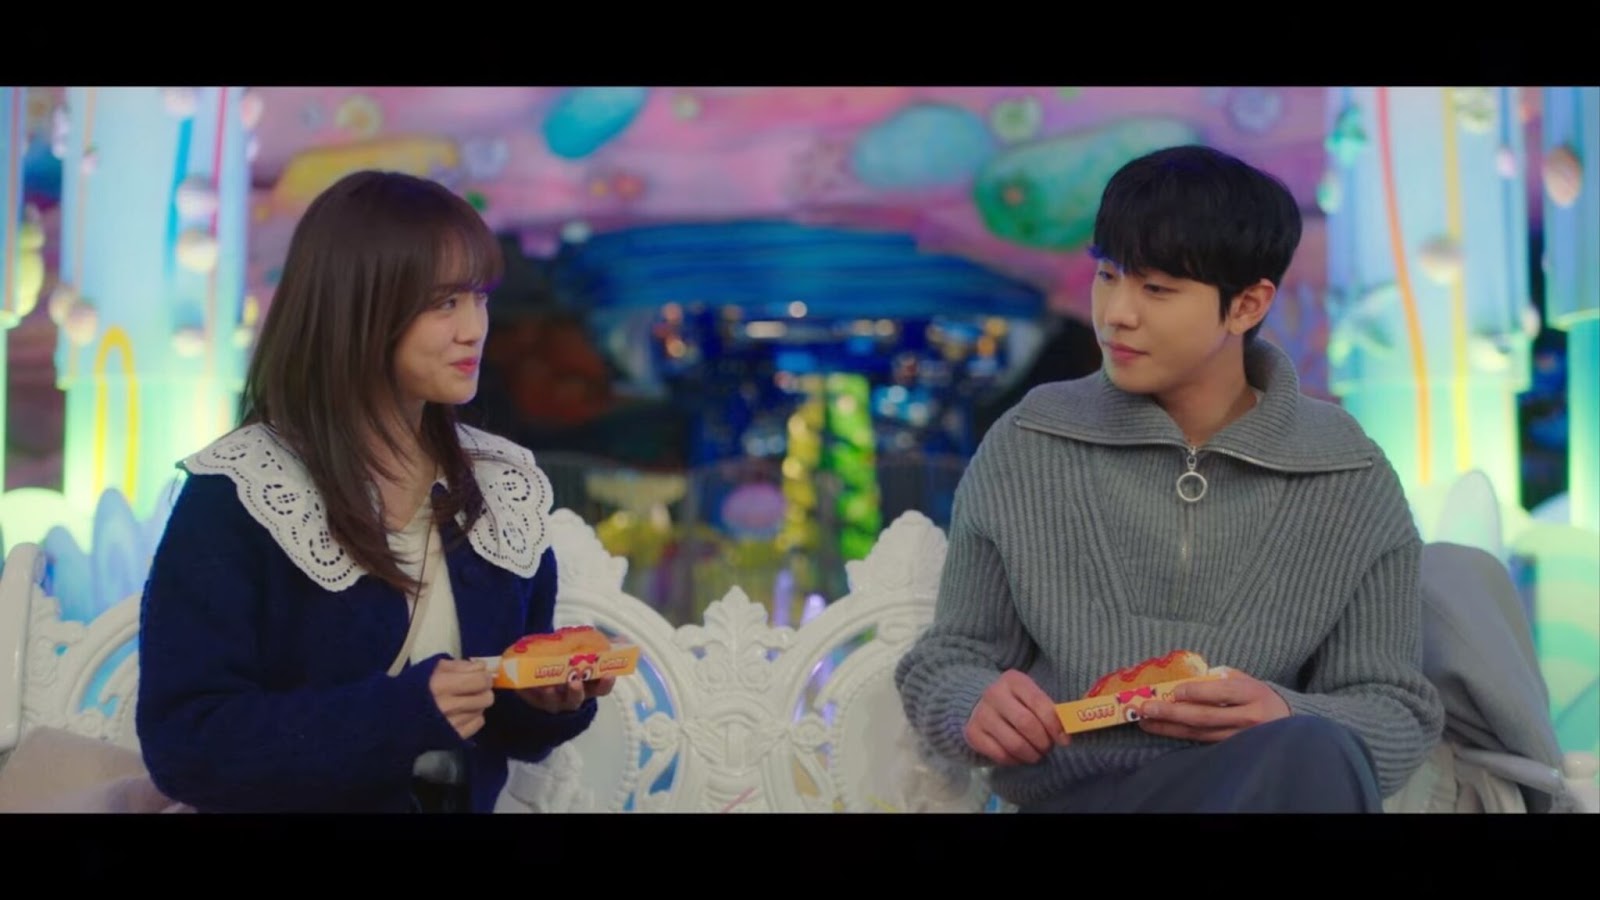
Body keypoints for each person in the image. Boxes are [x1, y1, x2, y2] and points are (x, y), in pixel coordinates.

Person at [894, 144, 1445, 813]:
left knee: (1310, 751)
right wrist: (970, 701)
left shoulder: (1349, 472)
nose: (1116, 313)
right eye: (1108, 275)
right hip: (1071, 801)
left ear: (1247, 305)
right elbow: (948, 658)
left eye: (1156, 290)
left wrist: (1285, 712)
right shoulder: (1030, 440)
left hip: (1261, 788)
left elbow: (1394, 710)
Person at [135, 170, 612, 813]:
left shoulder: (501, 482)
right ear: (360, 306)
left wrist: (542, 700)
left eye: (479, 297)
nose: (474, 328)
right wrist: (402, 714)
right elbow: (187, 744)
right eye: (444, 303)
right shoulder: (244, 489)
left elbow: (502, 727)